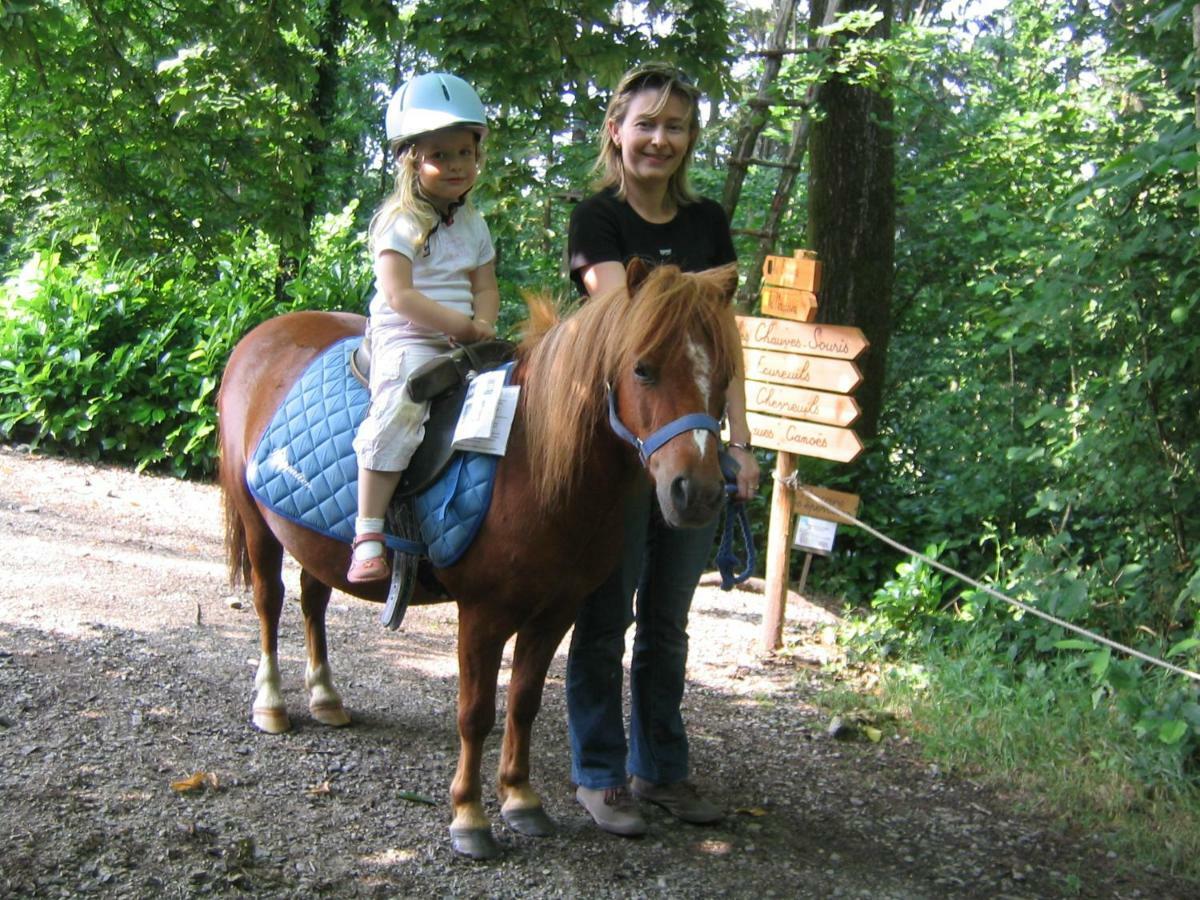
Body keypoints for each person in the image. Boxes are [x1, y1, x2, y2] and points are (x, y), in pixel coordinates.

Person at [565, 62, 761, 836]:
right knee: (607, 611)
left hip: (694, 446)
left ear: (690, 138)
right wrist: (692, 288)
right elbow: (627, 325)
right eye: (645, 123)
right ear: (617, 130)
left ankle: (663, 770)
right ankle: (599, 773)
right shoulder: (598, 219)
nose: (659, 139)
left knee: (670, 622)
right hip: (620, 453)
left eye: (675, 126)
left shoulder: (709, 220)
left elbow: (721, 345)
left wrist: (738, 442)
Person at [348, 72, 499, 584]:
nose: (456, 165)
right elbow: (400, 294)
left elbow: (486, 286)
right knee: (402, 402)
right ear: (412, 159)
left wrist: (483, 324)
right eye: (440, 155)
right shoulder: (401, 220)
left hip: (465, 336)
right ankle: (368, 529)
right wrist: (460, 325)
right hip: (408, 334)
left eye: (464, 153)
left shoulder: (475, 224)